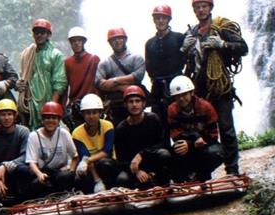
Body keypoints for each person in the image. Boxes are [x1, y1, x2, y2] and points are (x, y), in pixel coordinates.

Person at [181, 0, 248, 176]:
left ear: (210, 8)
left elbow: (243, 48)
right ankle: (204, 172)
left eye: (204, 6)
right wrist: (184, 49)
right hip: (199, 90)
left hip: (220, 87)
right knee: (201, 132)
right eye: (197, 7)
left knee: (226, 129)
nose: (201, 10)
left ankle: (232, 171)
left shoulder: (221, 27)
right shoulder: (191, 33)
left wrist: (223, 45)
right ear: (194, 10)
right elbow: (183, 64)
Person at [168, 75, 224, 183]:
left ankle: (202, 176)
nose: (181, 99)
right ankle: (183, 178)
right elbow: (175, 133)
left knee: (216, 152)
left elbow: (213, 134)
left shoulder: (205, 107)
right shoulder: (172, 110)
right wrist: (191, 143)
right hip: (186, 145)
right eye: (177, 96)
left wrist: (202, 141)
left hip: (206, 144)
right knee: (172, 153)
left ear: (191, 92)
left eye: (184, 94)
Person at [18, 102, 78, 199]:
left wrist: (71, 170)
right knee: (36, 184)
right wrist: (39, 174)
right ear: (42, 120)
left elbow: (75, 156)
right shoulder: (34, 136)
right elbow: (32, 162)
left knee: (66, 177)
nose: (50, 121)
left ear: (59, 120)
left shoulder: (64, 133)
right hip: (43, 172)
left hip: (60, 171)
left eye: (54, 118)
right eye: (47, 118)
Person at [115, 85, 171, 189]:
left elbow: (162, 143)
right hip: (133, 167)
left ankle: (162, 182)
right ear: (125, 105)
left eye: (137, 101)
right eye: (130, 102)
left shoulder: (153, 119)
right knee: (122, 179)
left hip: (152, 161)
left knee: (164, 154)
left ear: (143, 103)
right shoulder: (121, 129)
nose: (134, 105)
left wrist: (142, 154)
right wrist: (137, 171)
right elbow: (121, 159)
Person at [145, 5, 185, 148]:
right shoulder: (149, 43)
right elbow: (148, 67)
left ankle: (185, 162)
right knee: (159, 125)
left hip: (176, 86)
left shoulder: (179, 38)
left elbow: (187, 60)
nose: (160, 20)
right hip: (157, 88)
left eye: (163, 17)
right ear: (154, 20)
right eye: (157, 18)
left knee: (179, 123)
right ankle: (166, 164)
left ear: (169, 19)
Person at [16, 19, 67, 130]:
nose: (39, 35)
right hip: (30, 101)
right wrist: (19, 85)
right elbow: (24, 76)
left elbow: (59, 82)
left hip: (47, 98)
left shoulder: (55, 54)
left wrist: (52, 107)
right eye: (36, 32)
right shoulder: (28, 53)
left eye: (42, 32)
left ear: (48, 34)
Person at [95, 27, 146, 126]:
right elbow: (99, 83)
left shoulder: (136, 58)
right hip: (114, 106)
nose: (117, 41)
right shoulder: (105, 63)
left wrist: (114, 81)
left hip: (134, 103)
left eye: (120, 38)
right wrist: (123, 87)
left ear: (125, 39)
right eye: (114, 39)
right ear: (110, 43)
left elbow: (137, 77)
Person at [72, 94, 118, 193]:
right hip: (90, 167)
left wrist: (86, 161)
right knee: (81, 177)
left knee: (104, 164)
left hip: (107, 164)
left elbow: (106, 152)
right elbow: (85, 156)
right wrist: (97, 180)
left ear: (100, 113)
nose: (91, 116)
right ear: (83, 114)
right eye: (88, 113)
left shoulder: (108, 126)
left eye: (94, 112)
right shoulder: (77, 133)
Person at [64, 26, 100, 130]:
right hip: (75, 106)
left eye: (79, 40)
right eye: (73, 41)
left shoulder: (94, 59)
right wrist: (63, 109)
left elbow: (99, 83)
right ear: (70, 43)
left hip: (92, 105)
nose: (76, 43)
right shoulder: (67, 63)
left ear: (83, 42)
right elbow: (65, 87)